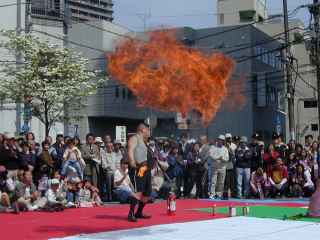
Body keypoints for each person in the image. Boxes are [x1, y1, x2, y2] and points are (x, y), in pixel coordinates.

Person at [127, 123, 153, 222]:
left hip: (146, 170)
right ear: (143, 130)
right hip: (139, 169)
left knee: (147, 193)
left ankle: (139, 212)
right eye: (148, 130)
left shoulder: (144, 141)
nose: (149, 132)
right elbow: (130, 150)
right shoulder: (134, 138)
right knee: (138, 191)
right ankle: (131, 213)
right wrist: (132, 162)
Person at [223, 133, 237, 199]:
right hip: (225, 165)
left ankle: (233, 194)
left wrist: (229, 148)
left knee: (232, 181)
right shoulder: (223, 146)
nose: (229, 140)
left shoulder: (234, 145)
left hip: (232, 164)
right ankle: (225, 195)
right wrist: (227, 147)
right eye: (227, 139)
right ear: (225, 139)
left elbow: (233, 155)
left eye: (230, 138)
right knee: (226, 181)